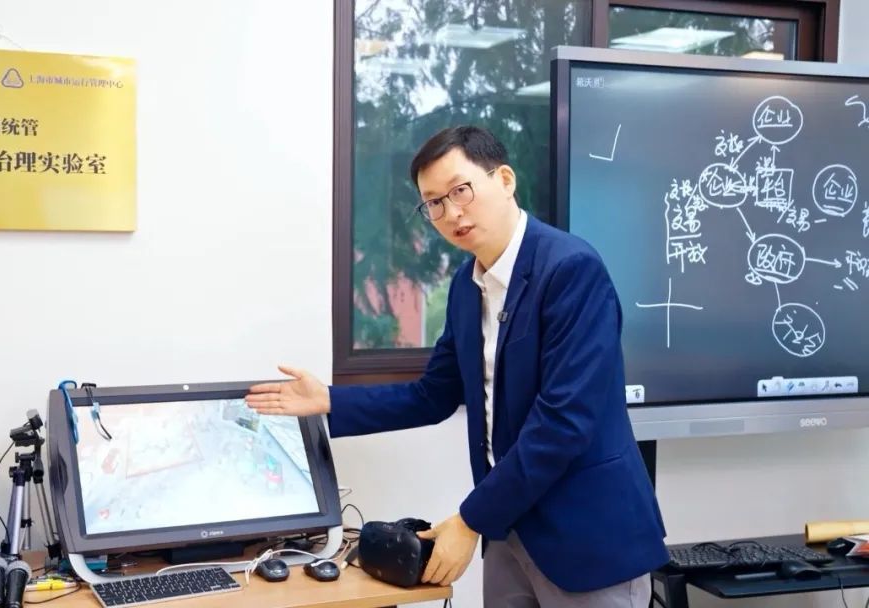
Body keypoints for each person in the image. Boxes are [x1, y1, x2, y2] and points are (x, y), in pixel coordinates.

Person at [245, 125, 668, 606]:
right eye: (433, 203)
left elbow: (563, 423)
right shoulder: (467, 288)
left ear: (504, 179)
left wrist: (469, 521)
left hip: (587, 535)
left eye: (460, 190)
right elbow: (433, 395)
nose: (451, 213)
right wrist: (328, 400)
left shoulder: (570, 269)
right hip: (509, 526)